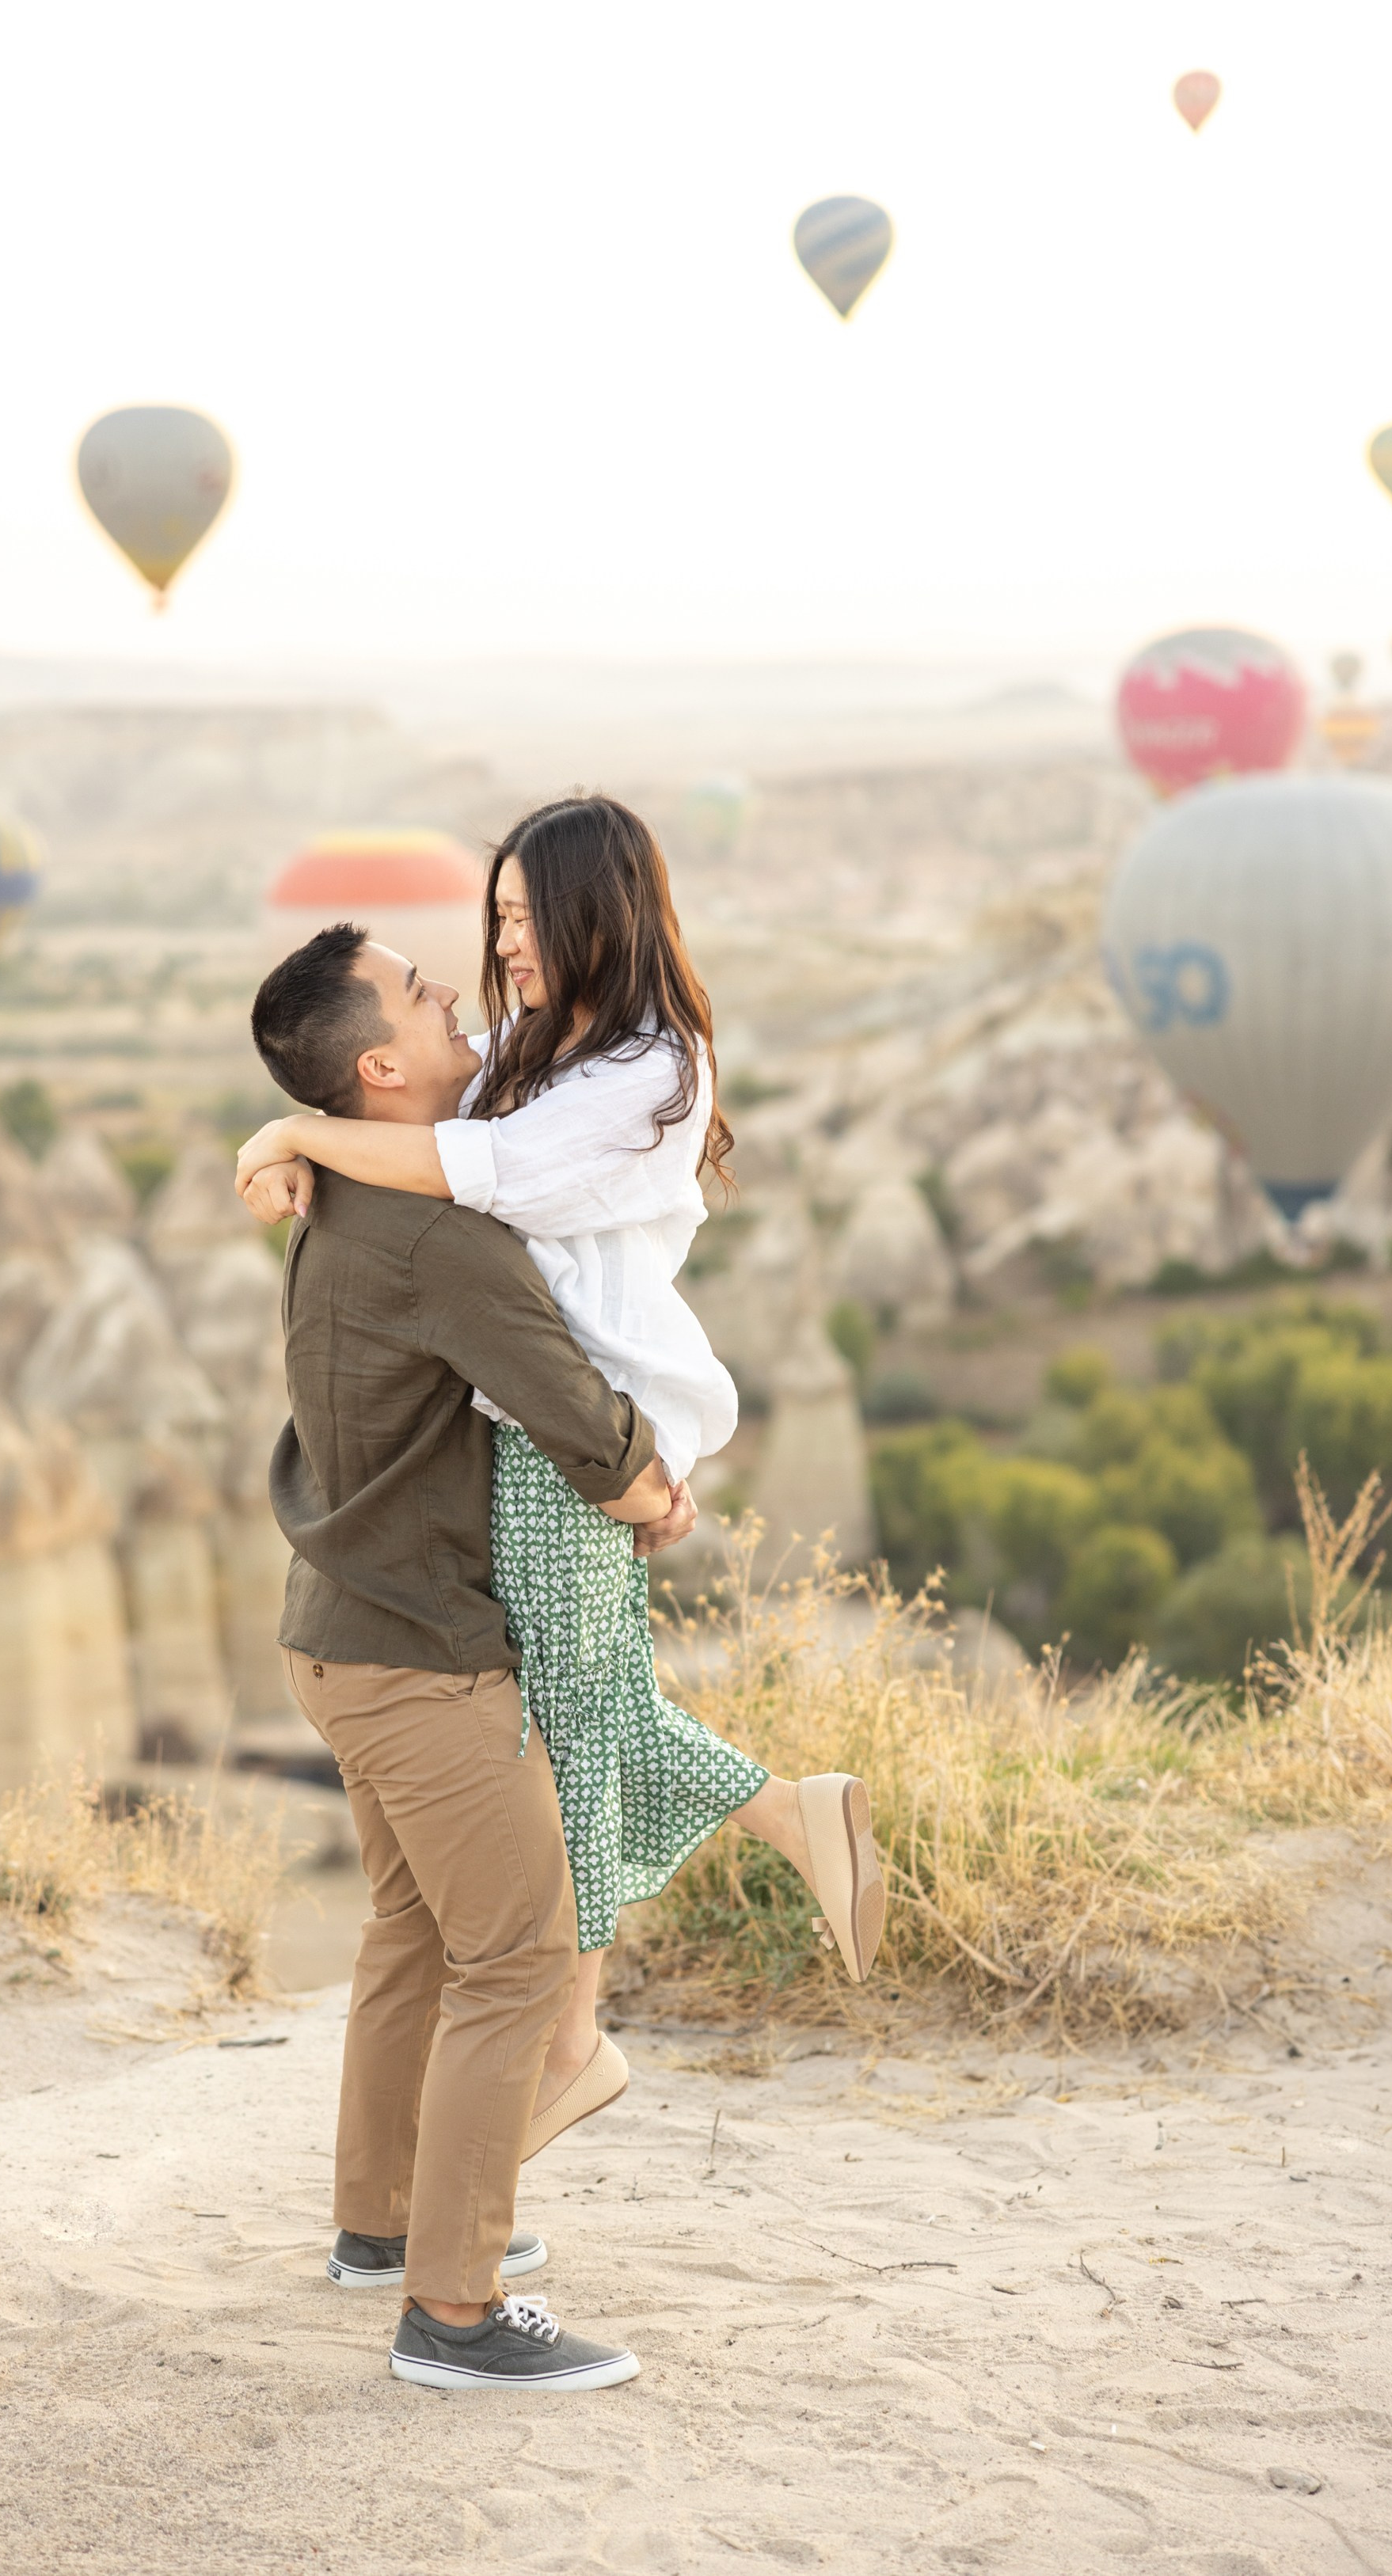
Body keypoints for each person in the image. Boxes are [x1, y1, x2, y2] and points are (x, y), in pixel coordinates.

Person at [240, 796, 885, 2155]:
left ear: (601, 913)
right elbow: (402, 1105)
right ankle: (792, 1818)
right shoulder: (548, 1050)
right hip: (557, 1427)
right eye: (498, 916)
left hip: (580, 1422)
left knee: (566, 1729)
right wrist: (282, 1132)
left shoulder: (650, 1072)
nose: (501, 944)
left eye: (527, 918)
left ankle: (576, 2043)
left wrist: (295, 1137)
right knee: (587, 1702)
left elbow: (478, 1170)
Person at [256, 921, 694, 2391]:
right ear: (380, 1065)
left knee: (413, 1939)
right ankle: (450, 2314)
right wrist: (651, 1487)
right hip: (425, 1659)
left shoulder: (337, 1202)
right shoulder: (443, 1236)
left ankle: (379, 2228)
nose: (457, 996)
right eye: (425, 995)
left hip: (336, 1637)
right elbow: (572, 1408)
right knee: (515, 1962)